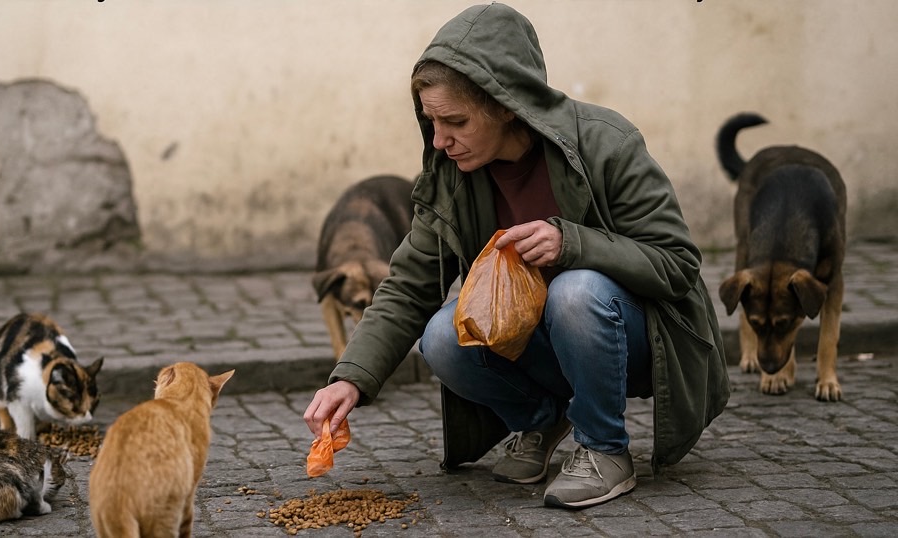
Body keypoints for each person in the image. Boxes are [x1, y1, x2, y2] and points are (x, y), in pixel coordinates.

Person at [304, 2, 729, 509]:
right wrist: (351, 377)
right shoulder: (450, 175)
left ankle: (605, 450)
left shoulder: (605, 142)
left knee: (575, 290)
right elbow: (408, 285)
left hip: (637, 340)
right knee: (443, 334)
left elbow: (677, 263)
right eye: (431, 122)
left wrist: (573, 244)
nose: (440, 141)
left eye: (455, 121)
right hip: (542, 343)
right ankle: (541, 420)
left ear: (506, 104)